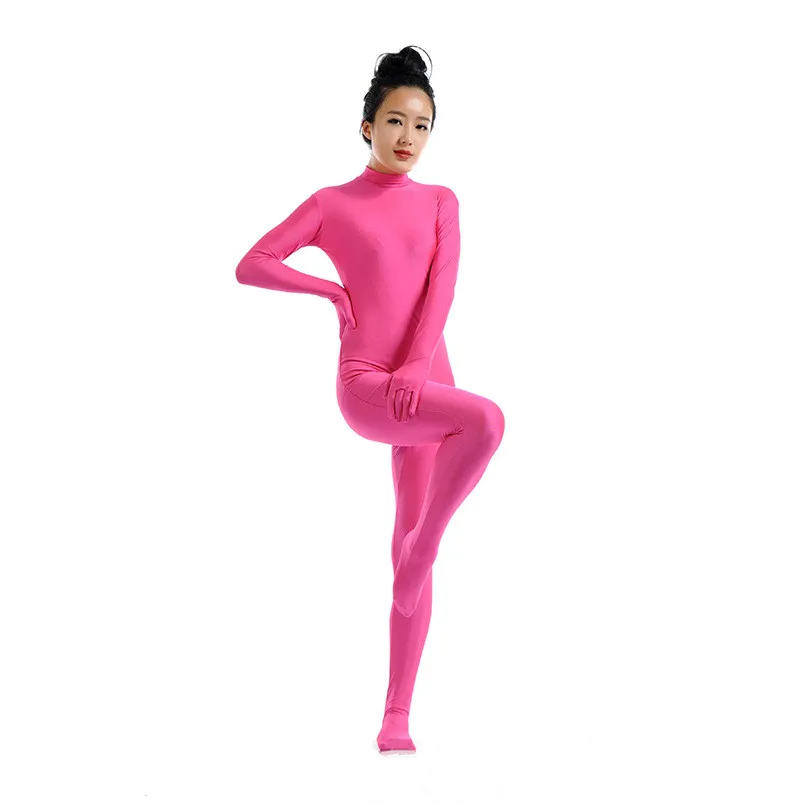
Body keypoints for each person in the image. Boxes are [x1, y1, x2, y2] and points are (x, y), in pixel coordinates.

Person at [235, 45, 505, 754]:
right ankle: (424, 544)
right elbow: (252, 262)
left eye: (422, 125)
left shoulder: (442, 201)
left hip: (428, 377)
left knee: (411, 550)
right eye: (394, 121)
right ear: (366, 125)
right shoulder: (332, 204)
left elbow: (442, 287)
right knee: (486, 422)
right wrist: (329, 290)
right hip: (368, 386)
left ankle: (396, 717)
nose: (408, 137)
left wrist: (419, 362)